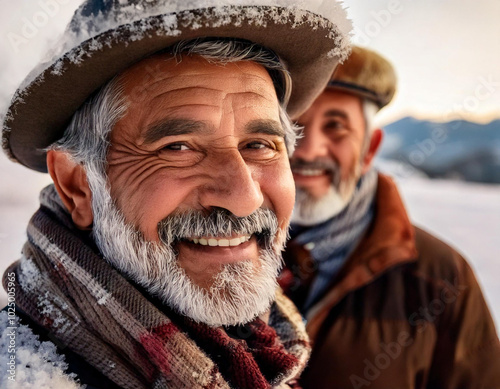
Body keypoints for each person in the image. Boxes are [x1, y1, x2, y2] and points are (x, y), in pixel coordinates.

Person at [0, 1, 352, 388]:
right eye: (178, 147)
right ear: (77, 186)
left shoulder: (272, 355)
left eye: (259, 144)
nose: (244, 197)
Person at [280, 46, 500, 388]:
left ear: (369, 149)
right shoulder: (211, 249)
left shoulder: (441, 278)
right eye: (294, 126)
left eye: (336, 126)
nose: (308, 150)